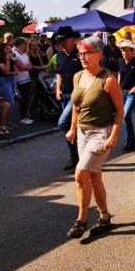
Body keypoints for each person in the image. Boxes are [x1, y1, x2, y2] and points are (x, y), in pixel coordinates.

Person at [64, 36, 124, 239]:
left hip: (101, 133)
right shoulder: (78, 76)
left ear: (99, 55)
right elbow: (76, 105)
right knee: (94, 176)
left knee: (80, 175)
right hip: (82, 132)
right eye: (80, 53)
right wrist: (73, 128)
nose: (82, 56)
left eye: (87, 53)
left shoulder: (108, 80)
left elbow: (120, 111)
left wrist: (114, 136)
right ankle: (105, 216)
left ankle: (81, 221)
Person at [54, 26, 83, 170]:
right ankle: (76, 155)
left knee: (63, 123)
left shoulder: (80, 55)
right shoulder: (59, 55)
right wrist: (58, 89)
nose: (62, 43)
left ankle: (77, 155)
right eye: (60, 41)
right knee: (72, 127)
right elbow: (59, 74)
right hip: (64, 95)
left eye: (64, 40)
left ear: (72, 39)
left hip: (77, 96)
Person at [13, 38, 34, 124]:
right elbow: (21, 68)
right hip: (20, 80)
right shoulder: (15, 55)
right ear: (19, 44)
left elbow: (30, 66)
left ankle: (25, 116)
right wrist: (26, 66)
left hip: (27, 78)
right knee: (23, 100)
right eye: (24, 43)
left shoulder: (25, 55)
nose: (25, 45)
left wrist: (26, 66)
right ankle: (22, 118)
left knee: (27, 98)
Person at [0, 43, 19, 119]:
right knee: (9, 101)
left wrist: (9, 73)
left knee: (12, 101)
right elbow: (6, 71)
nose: (10, 50)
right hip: (3, 81)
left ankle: (7, 121)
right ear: (2, 50)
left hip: (12, 80)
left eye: (10, 48)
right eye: (7, 48)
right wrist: (7, 60)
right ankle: (5, 122)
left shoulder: (11, 59)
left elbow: (16, 72)